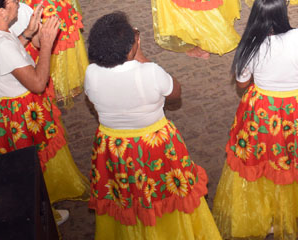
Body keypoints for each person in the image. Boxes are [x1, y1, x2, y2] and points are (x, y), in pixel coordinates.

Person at [0, 0, 88, 226]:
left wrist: (28, 33)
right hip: (16, 114)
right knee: (27, 169)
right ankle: (36, 216)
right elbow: (38, 83)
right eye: (14, 1)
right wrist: (46, 43)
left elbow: (10, 57)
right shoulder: (1, 44)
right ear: (1, 12)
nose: (19, 3)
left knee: (16, 168)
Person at [212, 0, 298, 239]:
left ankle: (266, 214)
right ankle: (290, 209)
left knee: (264, 158)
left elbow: (242, 84)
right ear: (283, 12)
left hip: (263, 111)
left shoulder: (250, 43)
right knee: (293, 157)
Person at [84, 12, 221, 238]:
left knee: (125, 196)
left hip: (114, 148)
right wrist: (141, 56)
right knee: (165, 193)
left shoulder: (91, 74)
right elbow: (175, 92)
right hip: (153, 146)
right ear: (131, 47)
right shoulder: (150, 72)